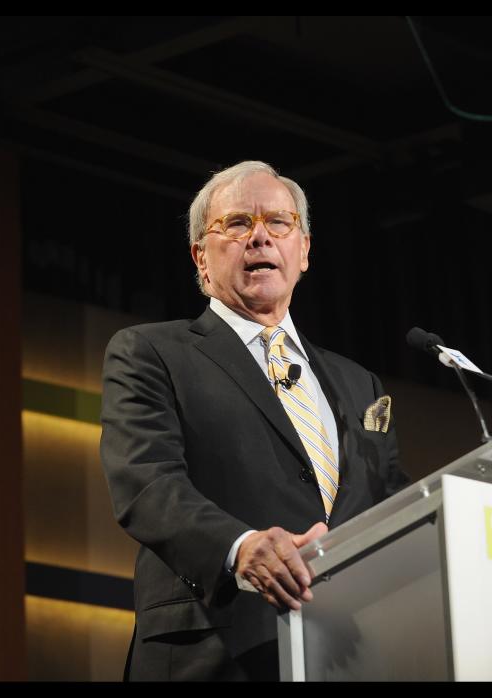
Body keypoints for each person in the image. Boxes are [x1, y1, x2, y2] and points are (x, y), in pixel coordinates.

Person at [99, 160, 408, 681]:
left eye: (279, 223)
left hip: (347, 651)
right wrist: (238, 548)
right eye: (238, 223)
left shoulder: (361, 385)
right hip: (214, 651)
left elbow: (393, 504)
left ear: (304, 250)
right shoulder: (151, 352)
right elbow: (144, 484)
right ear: (201, 257)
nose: (260, 237)